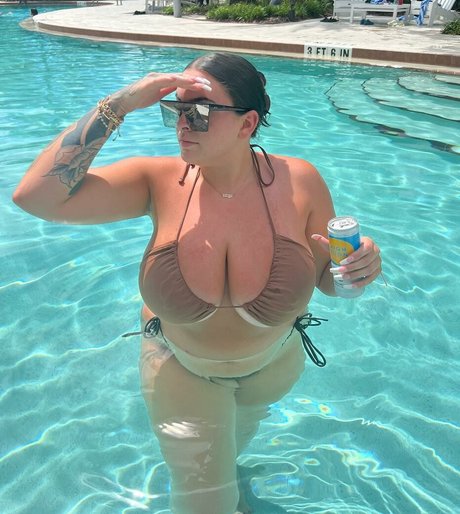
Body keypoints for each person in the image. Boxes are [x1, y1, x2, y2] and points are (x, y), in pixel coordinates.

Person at [13, 52, 382, 514]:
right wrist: (118, 105)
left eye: (200, 111)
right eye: (176, 110)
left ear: (248, 123)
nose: (183, 125)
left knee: (227, 459)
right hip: (183, 369)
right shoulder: (158, 181)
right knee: (206, 503)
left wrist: (359, 266)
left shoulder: (300, 182)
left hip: (272, 368)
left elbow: (329, 278)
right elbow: (37, 198)